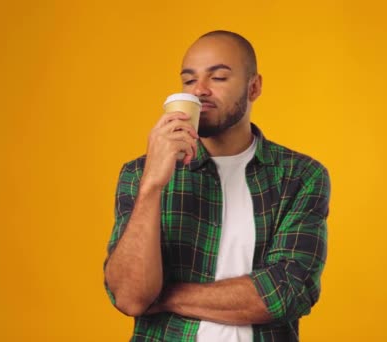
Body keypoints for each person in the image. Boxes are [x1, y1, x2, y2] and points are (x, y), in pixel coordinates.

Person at [103, 30, 330, 342]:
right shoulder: (139, 174)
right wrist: (152, 185)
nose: (199, 91)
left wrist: (164, 297)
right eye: (189, 80)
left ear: (254, 87)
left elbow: (286, 292)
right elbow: (129, 297)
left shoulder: (300, 175)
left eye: (219, 77)